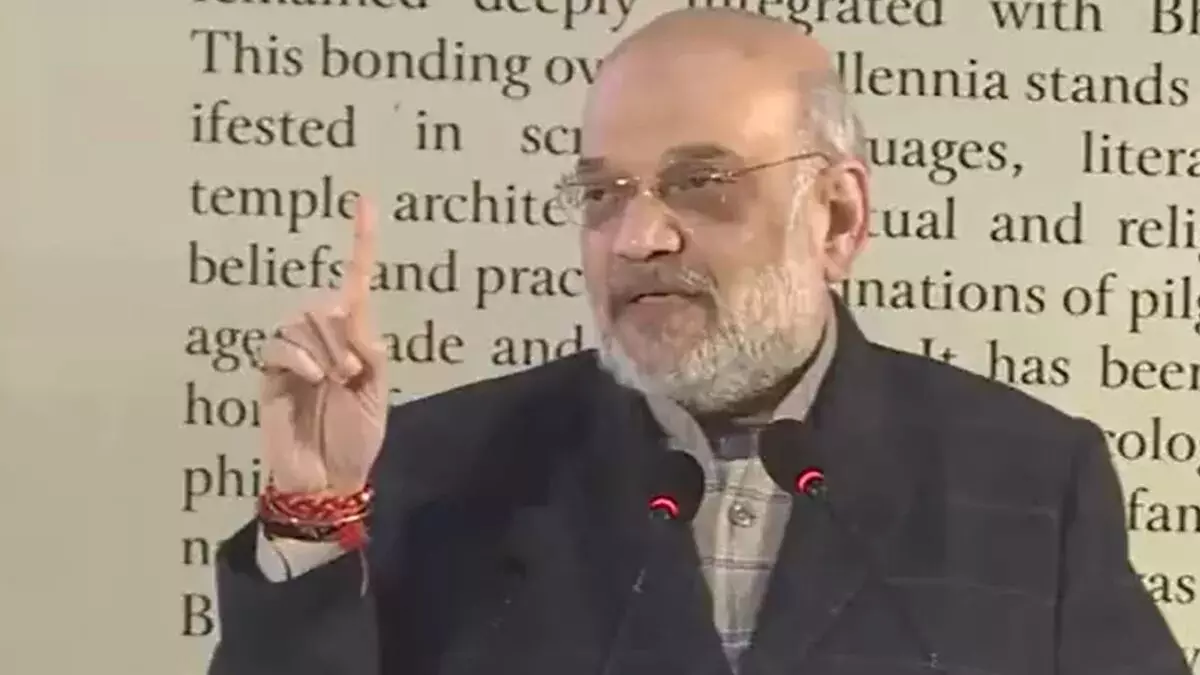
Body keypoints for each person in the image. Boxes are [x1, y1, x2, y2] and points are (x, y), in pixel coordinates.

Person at [208, 8, 1189, 675]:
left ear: (838, 217)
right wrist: (311, 512)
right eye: (604, 193)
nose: (639, 237)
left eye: (701, 183)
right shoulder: (436, 467)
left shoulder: (1031, 479)